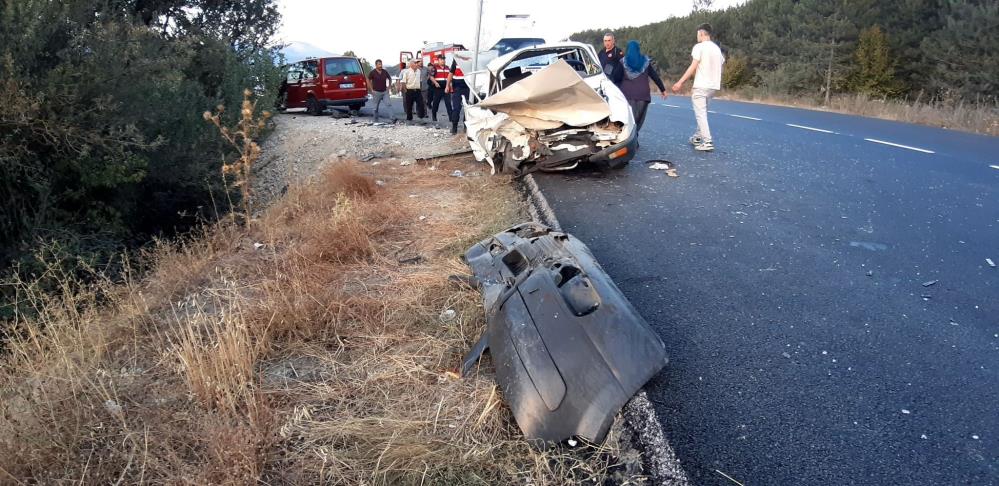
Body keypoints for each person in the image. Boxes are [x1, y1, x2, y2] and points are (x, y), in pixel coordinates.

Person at [672, 23, 725, 152]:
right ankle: (697, 137)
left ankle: (707, 141)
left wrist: (680, 82)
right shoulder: (716, 49)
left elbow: (693, 66)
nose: (697, 37)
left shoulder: (699, 47)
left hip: (702, 85)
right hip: (713, 86)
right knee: (703, 113)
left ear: (701, 33)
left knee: (701, 114)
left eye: (697, 34)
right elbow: (721, 65)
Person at [618, 40, 668, 136]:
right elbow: (655, 76)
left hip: (627, 94)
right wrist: (663, 90)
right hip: (643, 94)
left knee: (630, 118)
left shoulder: (623, 62)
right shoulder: (645, 62)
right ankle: (634, 136)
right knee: (638, 119)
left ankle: (631, 138)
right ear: (638, 49)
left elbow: (616, 77)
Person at [445, 55, 470, 134]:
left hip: (463, 88)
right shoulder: (471, 60)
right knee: (467, 108)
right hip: (467, 88)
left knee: (458, 108)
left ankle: (455, 129)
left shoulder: (457, 60)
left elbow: (450, 74)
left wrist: (447, 86)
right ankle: (461, 128)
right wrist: (447, 86)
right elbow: (451, 74)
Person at [428, 56, 452, 122]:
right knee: (436, 103)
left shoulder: (447, 68)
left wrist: (450, 86)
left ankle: (451, 118)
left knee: (448, 103)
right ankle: (434, 115)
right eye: (441, 59)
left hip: (446, 88)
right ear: (438, 60)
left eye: (444, 59)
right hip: (438, 89)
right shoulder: (434, 68)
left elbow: (450, 77)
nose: (443, 61)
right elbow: (431, 76)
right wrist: (435, 83)